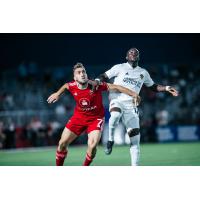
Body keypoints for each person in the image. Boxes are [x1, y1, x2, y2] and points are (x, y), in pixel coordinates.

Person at [92, 48, 179, 166]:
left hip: (132, 106)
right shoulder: (119, 67)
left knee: (135, 141)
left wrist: (167, 88)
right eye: (130, 53)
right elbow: (104, 75)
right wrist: (97, 80)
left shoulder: (143, 72)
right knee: (115, 114)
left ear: (138, 57)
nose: (133, 54)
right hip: (117, 100)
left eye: (135, 53)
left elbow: (153, 86)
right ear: (126, 57)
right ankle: (110, 139)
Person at [47, 62, 140, 166]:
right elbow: (65, 86)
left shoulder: (95, 85)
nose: (82, 74)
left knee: (92, 145)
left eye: (84, 71)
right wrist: (57, 93)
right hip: (78, 117)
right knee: (62, 144)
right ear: (75, 77)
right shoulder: (72, 85)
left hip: (96, 119)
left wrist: (134, 94)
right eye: (79, 72)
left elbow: (116, 87)